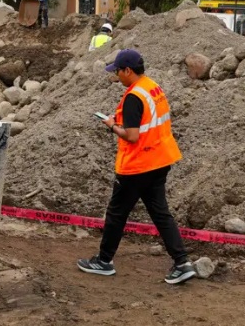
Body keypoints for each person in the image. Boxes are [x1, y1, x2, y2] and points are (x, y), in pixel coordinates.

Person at [78, 49, 196, 285]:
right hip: (160, 159)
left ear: (128, 70)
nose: (117, 76)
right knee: (160, 213)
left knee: (116, 213)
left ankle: (104, 261)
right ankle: (182, 263)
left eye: (118, 72)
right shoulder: (152, 87)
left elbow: (132, 136)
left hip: (138, 165)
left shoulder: (133, 97)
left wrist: (111, 125)